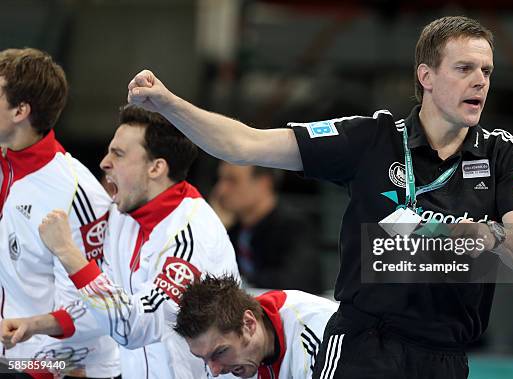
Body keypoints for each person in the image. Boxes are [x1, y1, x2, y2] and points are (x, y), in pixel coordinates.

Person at [125, 16, 513, 378]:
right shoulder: (370, 139)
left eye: (487, 71)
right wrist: (170, 105)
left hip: (446, 357)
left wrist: (490, 234)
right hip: (364, 345)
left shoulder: (503, 153)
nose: (480, 81)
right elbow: (246, 144)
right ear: (426, 76)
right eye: (465, 68)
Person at [1, 106, 240, 379]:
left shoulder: (191, 238)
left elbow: (133, 327)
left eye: (119, 154)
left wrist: (67, 251)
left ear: (156, 167)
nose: (104, 162)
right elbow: (105, 307)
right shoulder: (122, 217)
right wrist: (34, 325)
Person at [0, 48, 120, 378]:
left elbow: (94, 310)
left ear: (20, 111)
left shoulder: (76, 194)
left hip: (53, 365)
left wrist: (36, 370)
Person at [175, 274, 337, 379]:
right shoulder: (233, 361)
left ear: (248, 323)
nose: (214, 371)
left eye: (220, 352)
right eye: (203, 358)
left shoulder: (321, 332)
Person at [212, 162, 321, 292]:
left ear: (264, 184)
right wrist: (216, 228)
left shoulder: (293, 227)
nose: (220, 190)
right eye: (220, 179)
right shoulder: (232, 230)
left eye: (232, 181)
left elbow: (295, 282)